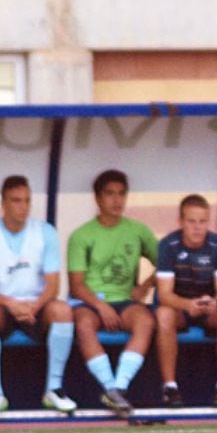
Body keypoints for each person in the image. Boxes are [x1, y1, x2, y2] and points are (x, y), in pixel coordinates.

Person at [68, 169, 159, 418]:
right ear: (97, 199)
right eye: (110, 194)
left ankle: (119, 388)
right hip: (91, 302)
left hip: (125, 303)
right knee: (83, 323)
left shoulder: (138, 231)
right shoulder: (82, 235)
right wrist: (100, 305)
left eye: (121, 194)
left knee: (146, 320)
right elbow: (76, 285)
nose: (117, 200)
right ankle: (109, 386)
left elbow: (168, 264)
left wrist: (146, 284)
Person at [0, 175, 75, 418]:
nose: (22, 207)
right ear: (3, 203)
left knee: (62, 310)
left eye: (27, 201)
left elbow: (53, 284)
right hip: (4, 306)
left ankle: (54, 389)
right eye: (16, 201)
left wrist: (34, 306)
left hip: (36, 307)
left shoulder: (45, 232)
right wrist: (11, 304)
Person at [153, 193, 217, 408]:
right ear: (181, 222)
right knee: (163, 314)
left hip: (208, 308)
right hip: (179, 308)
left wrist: (215, 303)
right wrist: (187, 305)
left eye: (202, 222)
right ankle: (170, 387)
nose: (197, 227)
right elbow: (164, 294)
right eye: (191, 221)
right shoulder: (168, 245)